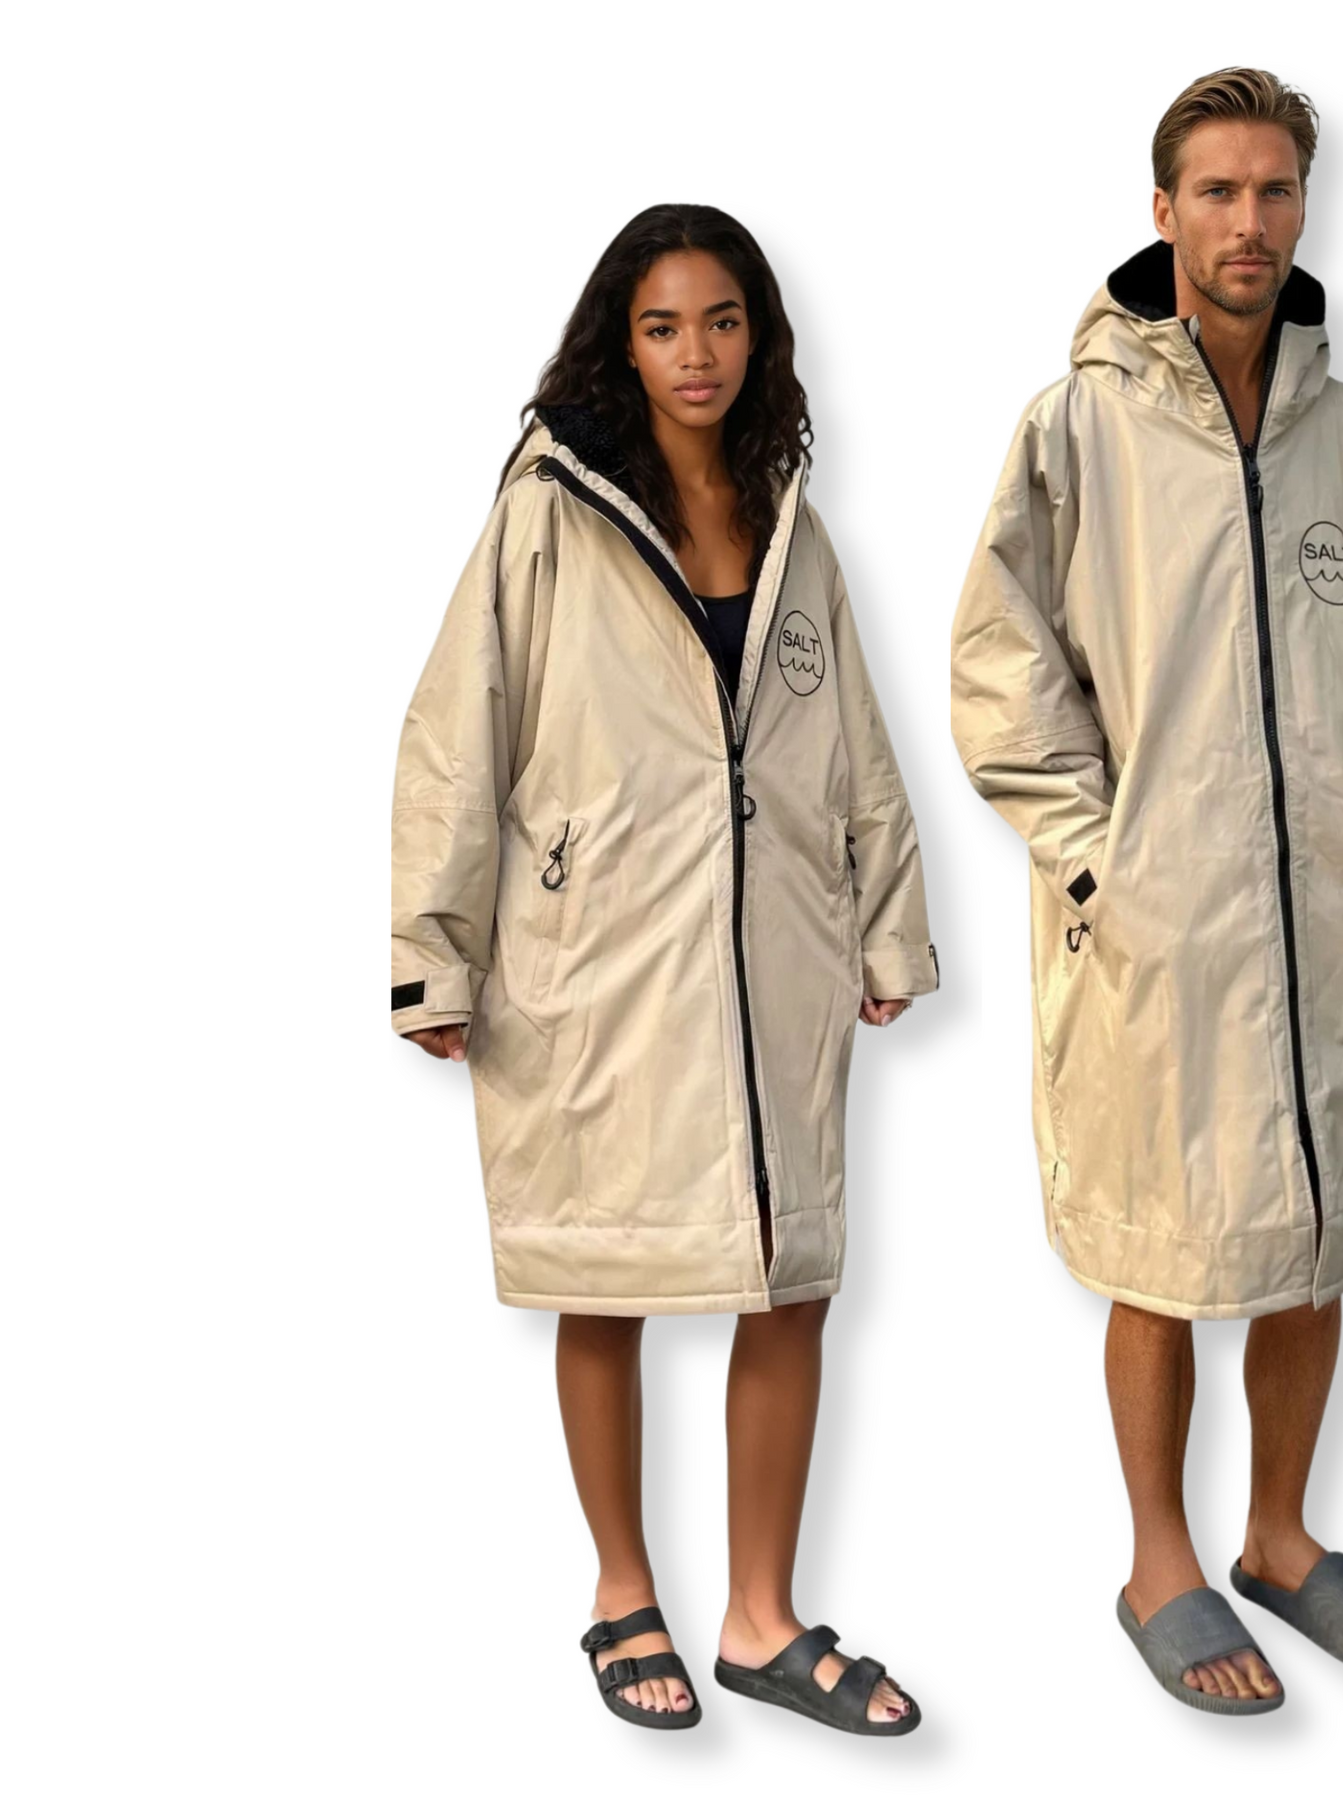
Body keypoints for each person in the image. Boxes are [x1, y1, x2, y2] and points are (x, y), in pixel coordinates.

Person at [949, 68, 1343, 1715]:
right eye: (1220, 192)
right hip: (1155, 933)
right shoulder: (1079, 427)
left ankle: (1282, 1535)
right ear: (1162, 210)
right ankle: (1159, 1557)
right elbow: (999, 667)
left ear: (1305, 207)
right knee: (1163, 1248)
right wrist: (1105, 863)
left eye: (1276, 190)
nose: (1251, 223)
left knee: (1310, 1236)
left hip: (1328, 926)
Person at [390, 204, 936, 1735]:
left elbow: (857, 744)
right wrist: (433, 953)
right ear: (618, 346)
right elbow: (455, 733)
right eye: (662, 325)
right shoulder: (547, 514)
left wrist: (888, 924)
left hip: (777, 965)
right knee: (607, 1271)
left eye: (722, 320)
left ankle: (760, 1617)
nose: (697, 353)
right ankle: (623, 1589)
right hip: (598, 962)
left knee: (789, 1278)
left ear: (758, 335)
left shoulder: (791, 524)